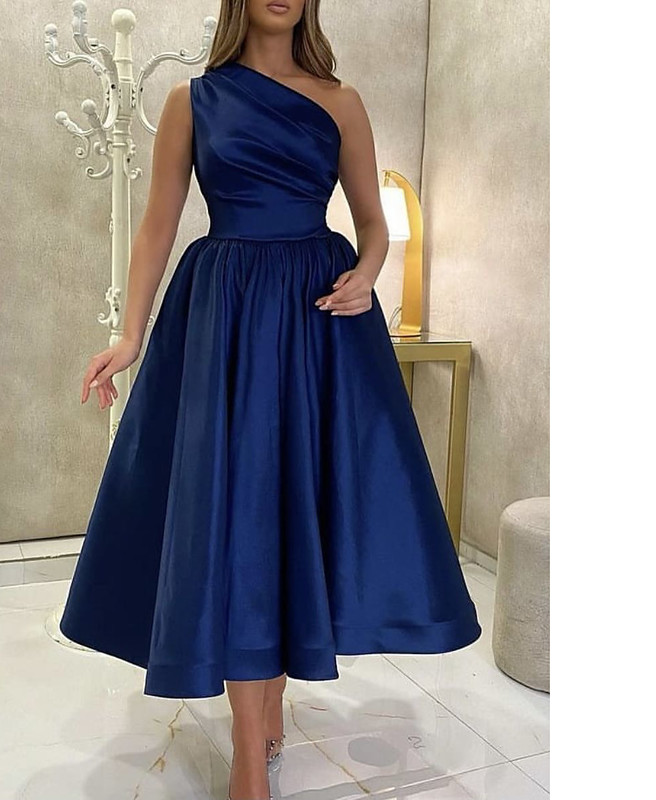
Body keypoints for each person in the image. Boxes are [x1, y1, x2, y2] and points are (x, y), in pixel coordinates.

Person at [58, 2, 481, 799]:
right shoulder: (192, 101)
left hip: (317, 320)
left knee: (296, 513)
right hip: (224, 316)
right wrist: (129, 336)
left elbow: (371, 223)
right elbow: (156, 228)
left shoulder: (341, 101)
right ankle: (249, 757)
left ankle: (267, 708)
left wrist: (367, 274)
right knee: (241, 519)